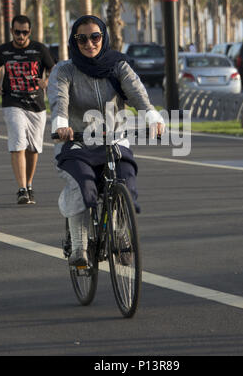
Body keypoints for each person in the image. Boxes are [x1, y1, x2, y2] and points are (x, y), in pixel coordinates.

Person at [48, 15, 165, 267]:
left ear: (103, 36)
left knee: (125, 181)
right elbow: (59, 100)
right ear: (74, 41)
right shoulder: (64, 70)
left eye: (95, 37)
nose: (89, 43)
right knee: (83, 184)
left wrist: (151, 116)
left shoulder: (118, 66)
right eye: (82, 39)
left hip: (114, 140)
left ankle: (121, 232)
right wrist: (61, 125)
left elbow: (136, 92)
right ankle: (79, 247)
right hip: (76, 143)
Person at [0, 15, 55, 204]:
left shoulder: (39, 49)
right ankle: (21, 190)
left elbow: (54, 69)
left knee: (32, 149)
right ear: (12, 31)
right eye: (17, 32)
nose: (21, 36)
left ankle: (28, 184)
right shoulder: (4, 50)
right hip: (12, 102)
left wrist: (46, 82)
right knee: (18, 142)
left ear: (30, 32)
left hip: (37, 106)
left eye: (25, 32)